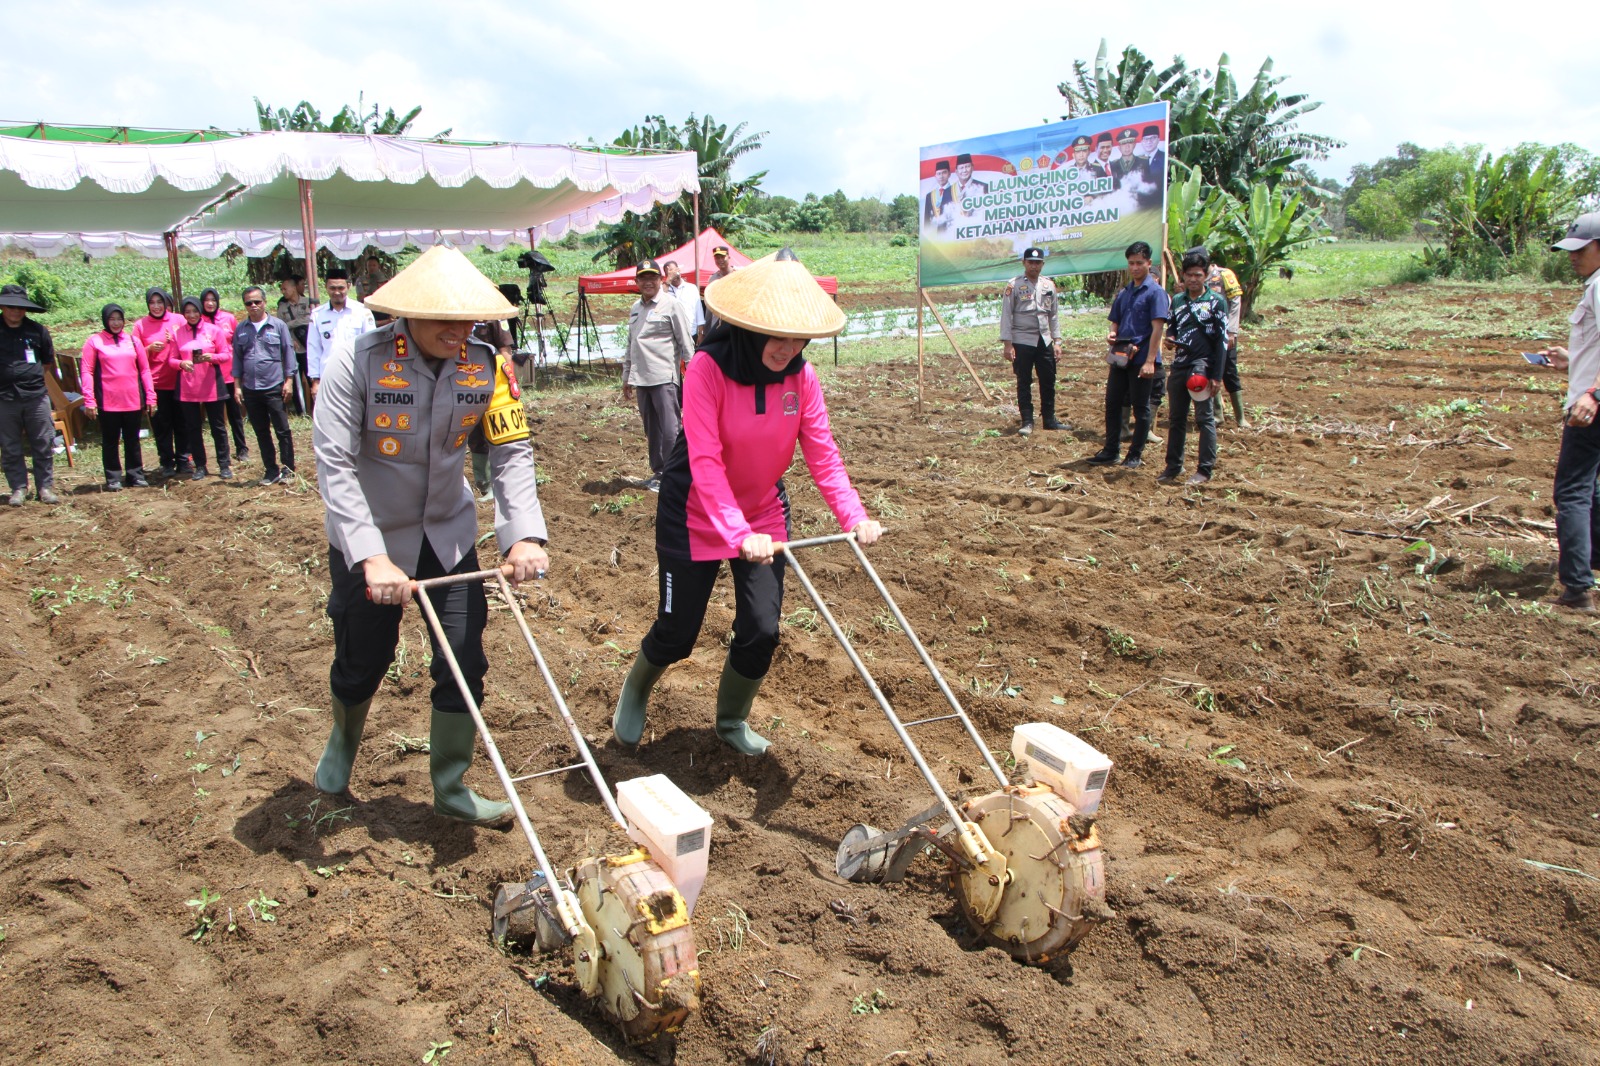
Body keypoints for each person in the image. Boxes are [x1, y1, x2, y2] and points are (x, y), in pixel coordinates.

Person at [311, 245, 550, 826]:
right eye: (444, 318)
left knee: (464, 658)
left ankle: (451, 783)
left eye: (468, 318)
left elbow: (510, 449)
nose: (459, 329)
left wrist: (522, 535)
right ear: (407, 314)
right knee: (363, 658)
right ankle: (343, 743)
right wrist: (369, 556)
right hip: (370, 537)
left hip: (447, 534)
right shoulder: (357, 360)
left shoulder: (486, 363)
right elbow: (334, 462)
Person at [611, 249, 883, 755]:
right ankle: (636, 690)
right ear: (751, 327)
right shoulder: (708, 370)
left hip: (761, 510)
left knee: (761, 630)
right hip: (693, 512)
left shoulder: (801, 378)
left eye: (799, 337)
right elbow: (707, 462)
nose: (788, 347)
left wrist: (854, 516)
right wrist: (737, 535)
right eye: (778, 335)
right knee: (677, 634)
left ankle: (731, 720)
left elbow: (823, 454)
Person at [1536, 213, 1600, 611]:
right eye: (1570, 251)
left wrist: (1593, 394)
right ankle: (1591, 562)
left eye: (1582, 250)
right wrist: (1571, 358)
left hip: (1590, 407)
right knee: (1592, 488)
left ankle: (1577, 588)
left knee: (1573, 492)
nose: (1573, 258)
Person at [1087, 242, 1169, 469]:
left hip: (1142, 358)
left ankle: (1135, 454)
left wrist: (1151, 360)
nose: (1135, 267)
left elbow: (1157, 329)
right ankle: (1111, 450)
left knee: (1141, 408)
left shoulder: (1155, 293)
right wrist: (1112, 334)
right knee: (1112, 403)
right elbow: (1116, 321)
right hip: (1121, 356)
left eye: (1139, 263)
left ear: (1149, 263)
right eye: (1131, 263)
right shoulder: (1125, 292)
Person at [1157, 249, 1229, 486]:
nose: (1193, 280)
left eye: (1198, 275)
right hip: (1180, 363)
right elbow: (1173, 327)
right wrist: (1169, 338)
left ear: (1206, 275)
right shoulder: (1178, 300)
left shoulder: (1216, 302)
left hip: (1202, 365)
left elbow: (1222, 341)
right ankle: (1173, 466)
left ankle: (1204, 469)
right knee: (1176, 417)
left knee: (1204, 417)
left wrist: (1216, 376)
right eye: (1189, 275)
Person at [623, 258, 693, 492]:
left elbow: (686, 342)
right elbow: (631, 344)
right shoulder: (635, 308)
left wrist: (693, 375)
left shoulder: (671, 305)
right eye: (643, 278)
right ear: (637, 282)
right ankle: (659, 472)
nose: (648, 282)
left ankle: (673, 475)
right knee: (652, 429)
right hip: (641, 378)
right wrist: (626, 376)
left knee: (669, 427)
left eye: (652, 277)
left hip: (664, 377)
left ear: (660, 279)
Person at [80, 303, 157, 491]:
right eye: (112, 319)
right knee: (110, 440)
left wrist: (150, 397)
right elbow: (87, 371)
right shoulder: (94, 342)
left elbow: (145, 370)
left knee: (132, 439)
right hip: (108, 401)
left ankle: (135, 474)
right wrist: (89, 399)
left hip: (131, 400)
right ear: (105, 320)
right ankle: (113, 477)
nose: (116, 323)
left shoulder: (133, 341)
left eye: (119, 319)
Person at [231, 286, 298, 486]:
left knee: (282, 430)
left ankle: (288, 469)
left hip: (274, 385)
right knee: (261, 431)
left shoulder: (278, 326)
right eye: (248, 303)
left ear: (264, 302)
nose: (253, 306)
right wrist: (237, 386)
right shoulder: (241, 329)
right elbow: (237, 359)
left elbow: (288, 354)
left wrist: (289, 381)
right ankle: (271, 470)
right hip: (251, 388)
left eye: (257, 302)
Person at [0, 284, 60, 506]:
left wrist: (29, 378)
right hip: (4, 397)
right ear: (3, 307)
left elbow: (46, 363)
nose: (15, 311)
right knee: (10, 445)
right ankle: (18, 488)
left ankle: (44, 487)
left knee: (43, 441)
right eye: (10, 307)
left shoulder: (37, 331)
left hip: (35, 396)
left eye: (19, 307)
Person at [1000, 248, 1064, 436]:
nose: (1034, 266)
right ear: (1024, 263)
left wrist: (1057, 341)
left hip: (1044, 340)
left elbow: (1053, 316)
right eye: (1030, 262)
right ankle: (1027, 421)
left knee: (1048, 379)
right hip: (1022, 340)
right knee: (1024, 380)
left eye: (1037, 263)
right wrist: (1007, 343)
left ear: (1042, 264)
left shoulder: (1048, 285)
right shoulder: (1014, 285)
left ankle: (1049, 419)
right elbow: (1006, 315)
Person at [172, 295, 234, 480]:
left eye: (194, 311)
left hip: (211, 385)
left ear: (200, 311)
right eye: (187, 312)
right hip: (188, 387)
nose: (191, 315)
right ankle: (200, 466)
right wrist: (181, 364)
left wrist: (212, 358)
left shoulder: (214, 331)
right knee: (193, 428)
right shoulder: (178, 333)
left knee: (218, 427)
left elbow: (226, 354)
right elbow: (171, 359)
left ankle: (224, 465)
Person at [131, 287, 184, 477]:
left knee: (182, 422)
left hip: (179, 380)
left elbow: (190, 343)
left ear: (166, 303)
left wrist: (176, 340)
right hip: (156, 383)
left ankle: (184, 459)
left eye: (159, 302)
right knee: (162, 425)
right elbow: (133, 355)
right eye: (152, 303)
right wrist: (148, 348)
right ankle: (166, 461)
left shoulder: (178, 320)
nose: (156, 306)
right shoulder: (140, 326)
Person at [306, 268, 376, 400]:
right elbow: (313, 349)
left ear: (348, 286)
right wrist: (315, 381)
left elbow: (372, 345)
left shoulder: (362, 312)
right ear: (326, 287)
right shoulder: (317, 315)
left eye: (340, 288)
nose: (337, 292)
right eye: (332, 288)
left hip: (356, 375)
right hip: (328, 376)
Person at [200, 288, 249, 462]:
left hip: (229, 372)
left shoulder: (228, 318)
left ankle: (242, 448)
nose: (210, 303)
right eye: (206, 300)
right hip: (210, 375)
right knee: (216, 418)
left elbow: (238, 343)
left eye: (213, 299)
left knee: (235, 412)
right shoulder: (200, 321)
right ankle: (223, 454)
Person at [1199, 252, 1248, 427]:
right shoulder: (1198, 277)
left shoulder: (1224, 275)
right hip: (1207, 334)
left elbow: (1235, 303)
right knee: (1211, 370)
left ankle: (1240, 417)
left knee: (1229, 370)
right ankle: (1218, 414)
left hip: (1225, 333)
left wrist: (1232, 332)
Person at [276, 276, 313, 414]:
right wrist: (290, 339)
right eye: (282, 289)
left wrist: (290, 324)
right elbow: (280, 327)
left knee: (312, 378)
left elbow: (310, 319)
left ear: (293, 288)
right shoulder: (282, 307)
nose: (283, 291)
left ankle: (316, 409)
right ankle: (300, 411)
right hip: (293, 348)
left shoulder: (308, 302)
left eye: (285, 288)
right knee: (296, 381)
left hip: (308, 347)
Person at [663, 261, 705, 356]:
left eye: (674, 270)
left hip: (691, 333)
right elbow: (658, 301)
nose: (673, 274)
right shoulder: (664, 290)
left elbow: (699, 312)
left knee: (690, 363)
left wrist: (701, 333)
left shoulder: (691, 288)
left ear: (679, 270)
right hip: (672, 336)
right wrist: (669, 280)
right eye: (669, 272)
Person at [952, 152, 987, 217]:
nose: (964, 170)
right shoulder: (947, 192)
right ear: (956, 171)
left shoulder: (984, 187)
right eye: (961, 168)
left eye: (967, 166)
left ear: (972, 168)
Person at [924, 159, 954, 230]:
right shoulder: (930, 196)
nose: (941, 176)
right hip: (934, 236)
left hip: (951, 232)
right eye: (939, 173)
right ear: (935, 176)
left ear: (949, 174)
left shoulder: (955, 191)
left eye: (944, 173)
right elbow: (927, 220)